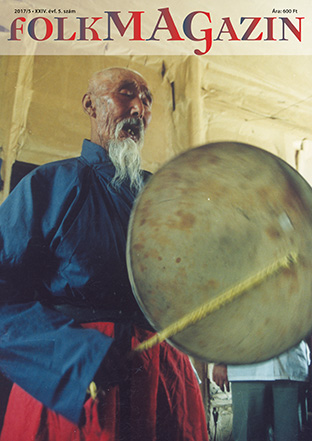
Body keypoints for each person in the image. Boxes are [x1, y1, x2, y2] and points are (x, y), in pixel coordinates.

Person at [0, 67, 209, 441]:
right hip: (76, 377)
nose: (138, 108)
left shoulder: (163, 199)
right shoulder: (49, 186)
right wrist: (71, 352)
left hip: (161, 381)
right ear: (91, 106)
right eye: (126, 93)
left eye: (147, 100)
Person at [212, 340, 310, 441]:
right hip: (245, 367)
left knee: (290, 435)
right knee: (247, 435)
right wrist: (219, 360)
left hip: (291, 364)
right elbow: (222, 324)